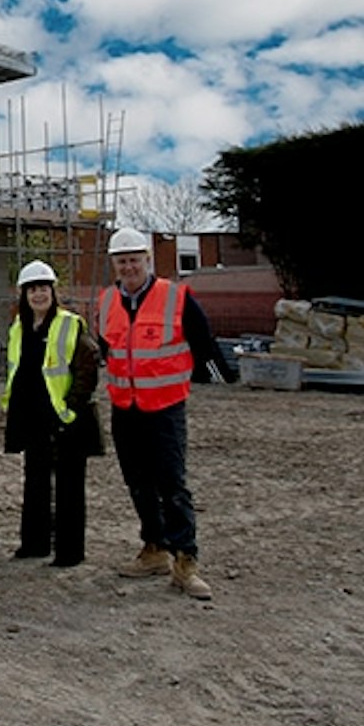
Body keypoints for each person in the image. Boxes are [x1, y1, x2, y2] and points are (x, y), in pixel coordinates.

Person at [96, 228, 231, 601]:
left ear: (147, 260)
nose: (128, 267)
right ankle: (154, 547)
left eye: (134, 260)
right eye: (122, 261)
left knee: (172, 485)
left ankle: (186, 561)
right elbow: (109, 349)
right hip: (126, 407)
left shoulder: (175, 298)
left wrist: (218, 380)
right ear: (114, 265)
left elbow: (204, 344)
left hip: (165, 408)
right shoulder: (107, 302)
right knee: (137, 482)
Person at [2, 260, 103, 566]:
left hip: (66, 418)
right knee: (35, 482)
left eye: (43, 288)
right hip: (33, 417)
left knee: (69, 487)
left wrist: (72, 406)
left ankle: (69, 552)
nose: (38, 295)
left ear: (53, 291)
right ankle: (35, 544)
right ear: (24, 294)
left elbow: (89, 364)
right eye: (32, 289)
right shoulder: (20, 327)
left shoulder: (69, 324)